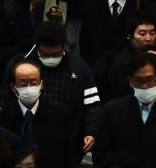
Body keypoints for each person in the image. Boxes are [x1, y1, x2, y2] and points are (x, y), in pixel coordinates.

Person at [5, 20, 99, 165]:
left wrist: (90, 131)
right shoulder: (20, 66)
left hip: (64, 137)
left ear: (63, 47)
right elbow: (7, 99)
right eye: (45, 54)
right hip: (24, 137)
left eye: (55, 54)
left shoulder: (80, 68)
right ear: (37, 47)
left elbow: (91, 104)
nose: (50, 59)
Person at [95, 51, 156, 167]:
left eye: (149, 80)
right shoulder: (113, 111)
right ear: (130, 81)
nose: (144, 86)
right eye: (139, 81)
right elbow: (100, 156)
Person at [0, 61, 72, 168]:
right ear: (13, 87)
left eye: (33, 83)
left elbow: (67, 156)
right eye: (23, 84)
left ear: (41, 85)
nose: (29, 88)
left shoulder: (59, 115)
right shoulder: (4, 116)